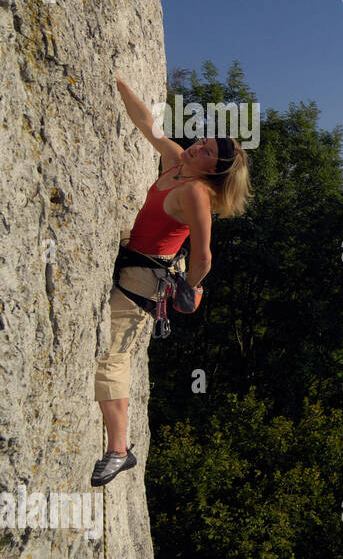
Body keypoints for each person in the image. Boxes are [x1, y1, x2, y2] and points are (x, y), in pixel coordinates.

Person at [91, 76, 251, 486]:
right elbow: (150, 125)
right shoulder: (176, 162)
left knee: (113, 359)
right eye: (204, 141)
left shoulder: (197, 194)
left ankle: (118, 450)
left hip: (145, 281)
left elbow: (203, 256)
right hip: (133, 259)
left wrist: (191, 289)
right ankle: (118, 447)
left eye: (208, 150)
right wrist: (121, 85)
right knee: (112, 356)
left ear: (213, 168)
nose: (198, 145)